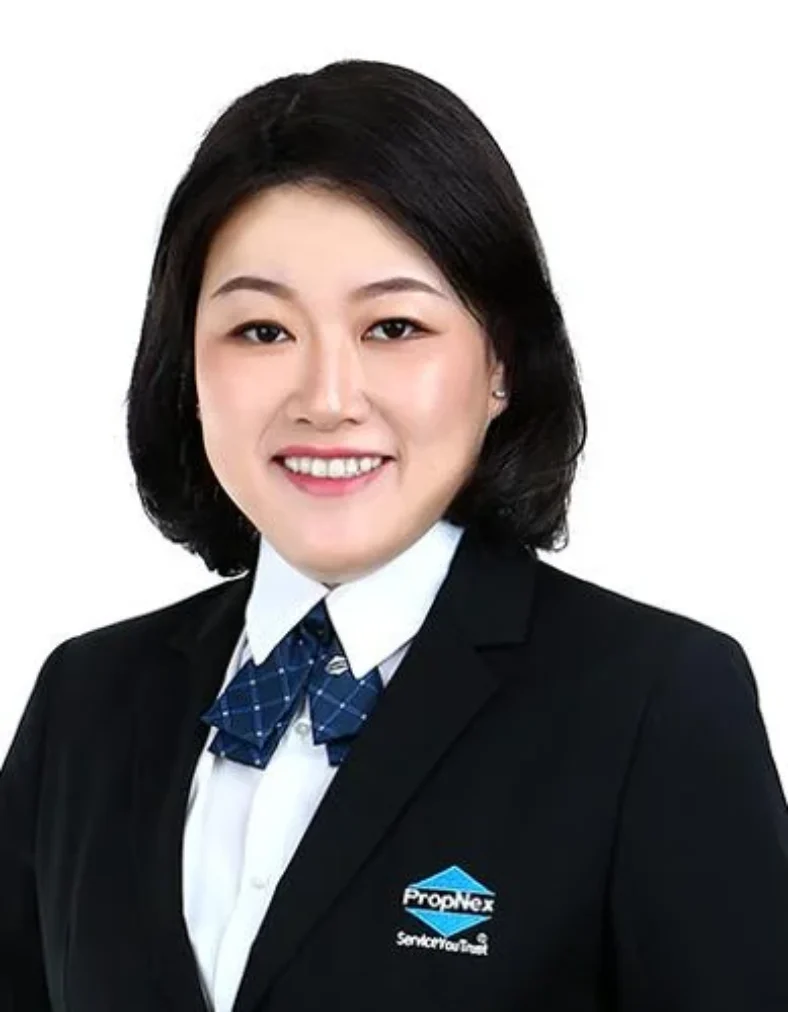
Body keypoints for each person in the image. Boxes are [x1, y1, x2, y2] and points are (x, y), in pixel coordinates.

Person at [1, 57, 787, 1012]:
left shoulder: (655, 703)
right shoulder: (85, 702)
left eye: (394, 328)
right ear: (186, 370)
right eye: (262, 331)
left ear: (500, 363)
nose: (328, 399)